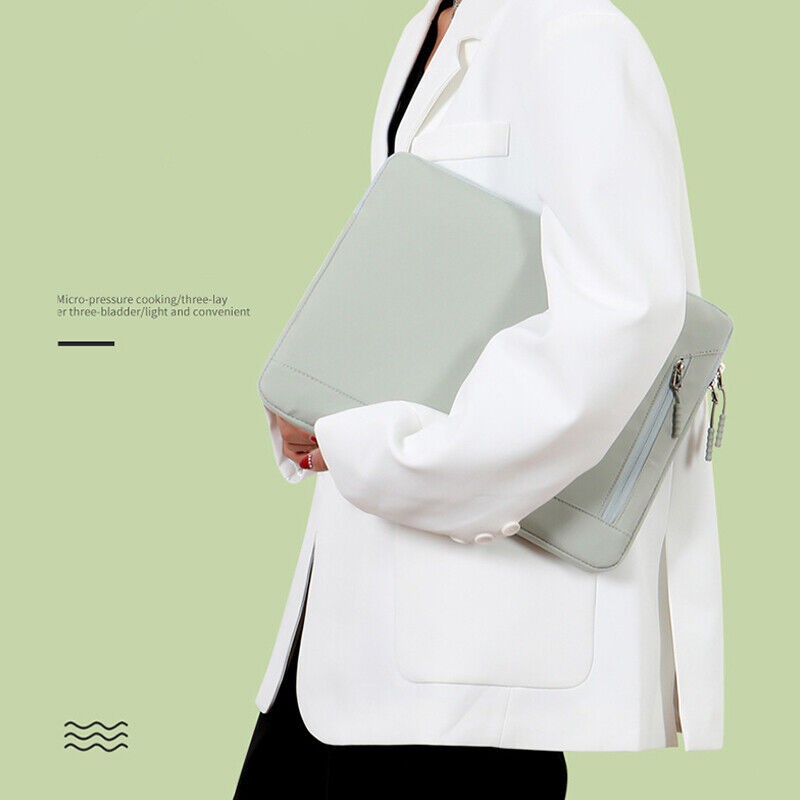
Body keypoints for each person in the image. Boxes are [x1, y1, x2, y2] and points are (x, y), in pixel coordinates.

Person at [234, 0, 724, 796]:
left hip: (473, 658)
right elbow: (425, 280)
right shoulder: (424, 32)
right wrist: (322, 401)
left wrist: (382, 451)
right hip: (349, 639)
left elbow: (620, 320)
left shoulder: (574, 31)